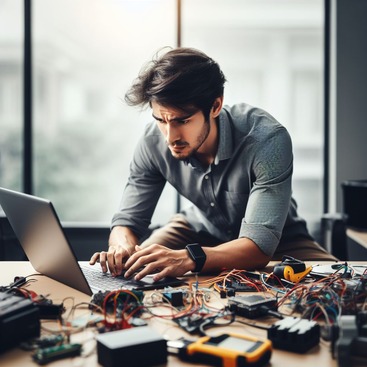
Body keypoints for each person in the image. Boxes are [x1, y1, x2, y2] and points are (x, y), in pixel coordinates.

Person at [90, 47, 336, 282]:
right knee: (138, 266)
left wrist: (188, 258)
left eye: (183, 121)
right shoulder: (153, 142)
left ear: (215, 106)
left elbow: (259, 247)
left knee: (345, 282)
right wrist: (120, 247)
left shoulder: (266, 139)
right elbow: (127, 222)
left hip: (281, 240)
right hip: (196, 228)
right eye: (160, 120)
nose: (170, 136)